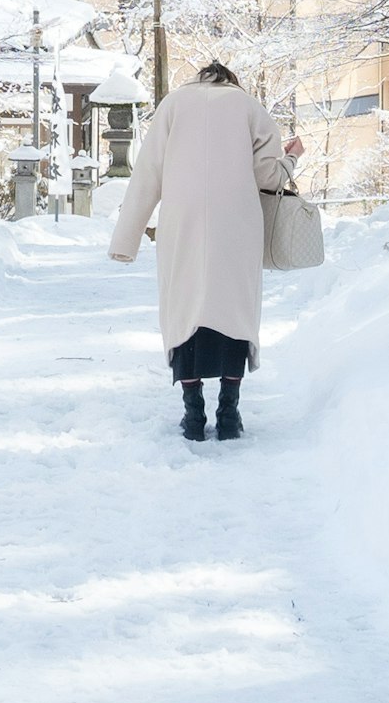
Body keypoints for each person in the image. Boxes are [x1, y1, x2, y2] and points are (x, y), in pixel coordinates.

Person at [106, 59, 284, 441]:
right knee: (233, 309)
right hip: (236, 220)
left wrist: (126, 240)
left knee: (184, 306)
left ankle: (192, 414)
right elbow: (268, 175)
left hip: (182, 220)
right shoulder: (249, 106)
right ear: (230, 81)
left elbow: (148, 173)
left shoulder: (173, 104)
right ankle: (230, 412)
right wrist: (293, 159)